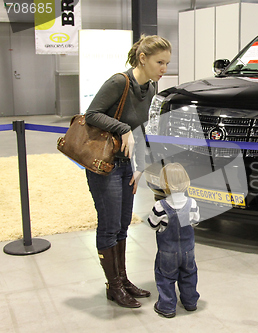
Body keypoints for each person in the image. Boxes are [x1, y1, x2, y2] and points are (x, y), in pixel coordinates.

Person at [85, 35, 172, 308]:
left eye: (167, 63)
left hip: (126, 166)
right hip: (105, 165)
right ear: (143, 58)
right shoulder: (119, 82)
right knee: (109, 226)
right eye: (160, 62)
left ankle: (122, 280)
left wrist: (141, 166)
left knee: (122, 225)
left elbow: (145, 128)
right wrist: (122, 128)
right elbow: (91, 114)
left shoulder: (152, 86)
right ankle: (113, 286)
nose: (164, 68)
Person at [147, 163, 200, 318]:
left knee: (165, 278)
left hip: (167, 252)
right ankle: (190, 302)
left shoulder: (160, 206)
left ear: (164, 183)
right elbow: (195, 221)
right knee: (189, 275)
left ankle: (167, 306)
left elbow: (152, 224)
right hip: (188, 251)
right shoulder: (192, 203)